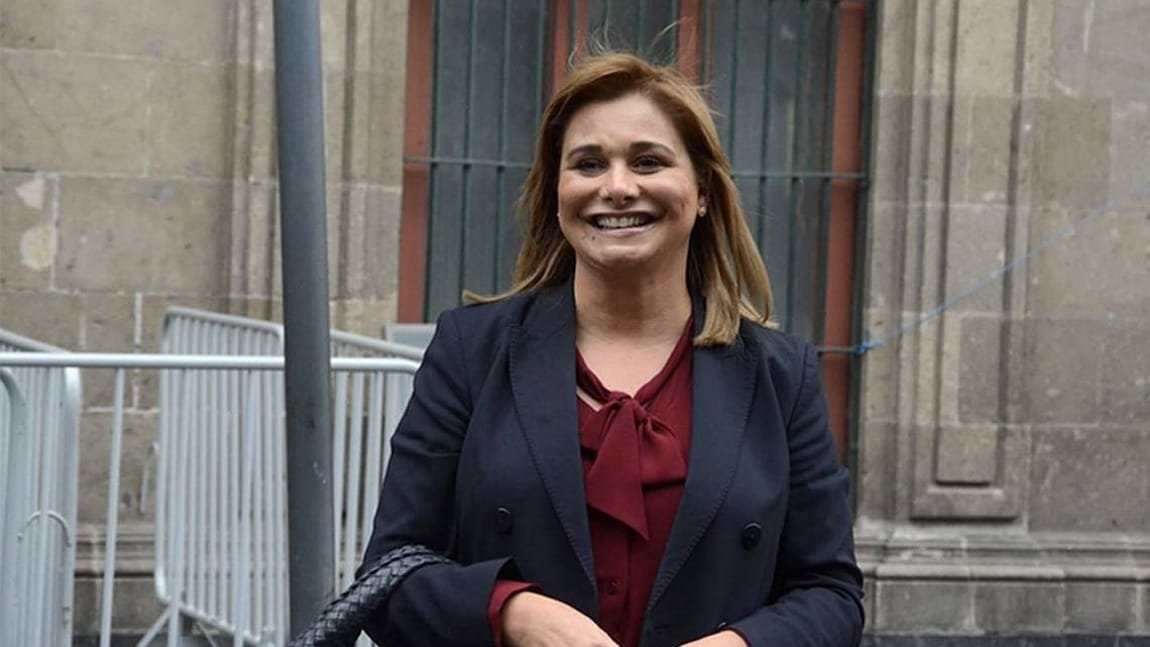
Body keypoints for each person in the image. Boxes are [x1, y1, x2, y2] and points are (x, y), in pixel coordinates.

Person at [359, 52, 863, 647]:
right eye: (588, 164)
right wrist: (514, 615)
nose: (617, 187)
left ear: (702, 190)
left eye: (648, 161)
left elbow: (831, 596)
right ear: (557, 193)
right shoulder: (471, 352)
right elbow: (388, 576)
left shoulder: (782, 376)